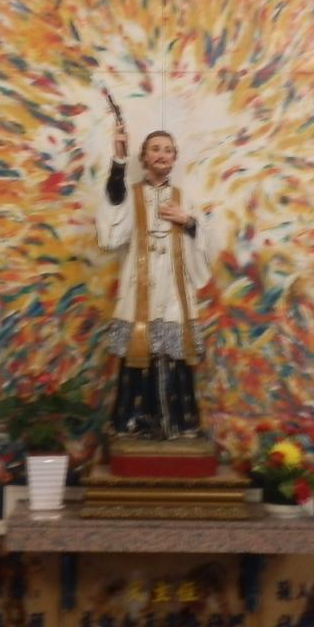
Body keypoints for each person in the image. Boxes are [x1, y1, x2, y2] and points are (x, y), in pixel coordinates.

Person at [97, 127, 211, 439]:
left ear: (174, 158)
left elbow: (203, 241)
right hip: (140, 288)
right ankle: (134, 423)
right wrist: (118, 162)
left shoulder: (183, 197)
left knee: (174, 357)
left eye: (168, 150)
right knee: (138, 351)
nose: (162, 154)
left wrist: (188, 222)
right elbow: (112, 227)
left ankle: (178, 425)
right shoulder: (132, 194)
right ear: (144, 157)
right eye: (155, 149)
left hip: (173, 289)